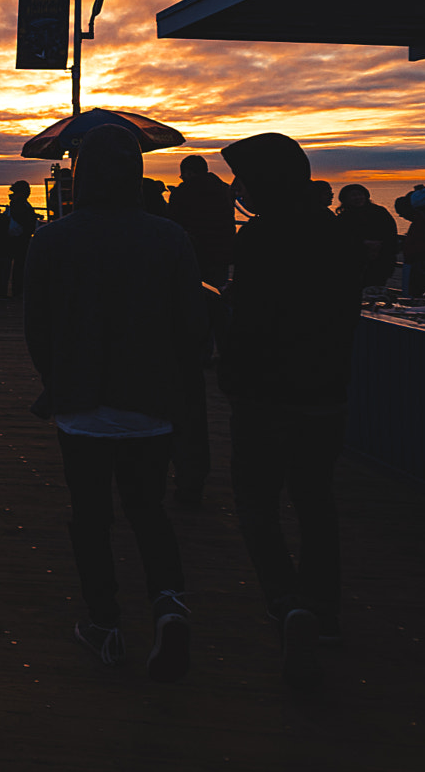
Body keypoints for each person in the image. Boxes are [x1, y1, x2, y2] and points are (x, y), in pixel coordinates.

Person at [24, 124, 202, 683]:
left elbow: (38, 327)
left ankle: (105, 623)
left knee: (92, 517)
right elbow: (191, 327)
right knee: (148, 510)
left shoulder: (52, 239)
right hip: (151, 401)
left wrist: (57, 378)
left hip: (80, 401)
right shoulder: (170, 237)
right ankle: (169, 602)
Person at [218, 132, 364, 691]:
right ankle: (323, 610)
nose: (239, 189)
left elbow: (253, 322)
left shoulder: (259, 239)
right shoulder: (339, 233)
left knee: (257, 501)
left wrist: (229, 368)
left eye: (244, 179)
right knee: (315, 499)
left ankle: (285, 600)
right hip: (326, 392)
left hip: (263, 394)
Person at [167, 155, 235, 286]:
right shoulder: (224, 189)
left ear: (188, 172)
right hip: (222, 254)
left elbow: (173, 224)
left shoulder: (182, 192)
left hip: (194, 254)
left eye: (182, 176)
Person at [335, 184, 398, 291]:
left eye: (360, 194)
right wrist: (363, 243)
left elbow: (391, 232)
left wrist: (381, 246)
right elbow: (341, 239)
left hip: (382, 259)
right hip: (354, 261)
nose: (357, 198)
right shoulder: (343, 217)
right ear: (346, 199)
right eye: (353, 195)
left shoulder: (379, 211)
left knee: (377, 288)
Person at [0, 180, 39, 300]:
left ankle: (3, 292)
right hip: (16, 240)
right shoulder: (21, 204)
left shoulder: (14, 204)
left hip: (8, 240)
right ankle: (15, 291)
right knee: (17, 267)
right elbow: (23, 220)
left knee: (6, 267)